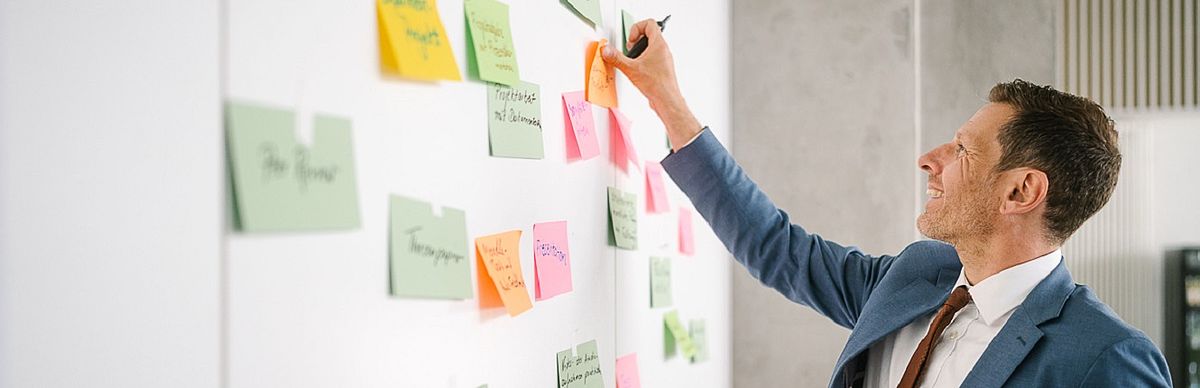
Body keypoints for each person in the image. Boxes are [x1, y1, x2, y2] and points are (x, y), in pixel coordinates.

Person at [602, 19, 1172, 388]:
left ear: (1021, 191)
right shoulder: (917, 277)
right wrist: (668, 100)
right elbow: (774, 247)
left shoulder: (1108, 359)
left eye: (963, 151)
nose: (930, 159)